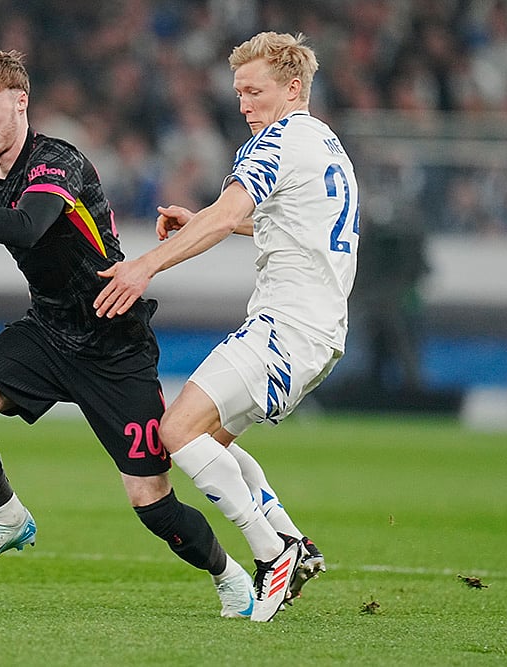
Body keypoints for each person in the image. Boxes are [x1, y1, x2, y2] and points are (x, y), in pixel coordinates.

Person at [0, 50, 258, 620]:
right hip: (49, 330)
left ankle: (230, 578)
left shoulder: (57, 160)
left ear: (21, 103)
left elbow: (28, 228)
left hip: (113, 341)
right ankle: (8, 518)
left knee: (152, 504)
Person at [94, 32, 359, 621]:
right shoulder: (325, 142)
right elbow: (278, 223)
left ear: (293, 88)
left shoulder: (277, 140)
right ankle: (293, 542)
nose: (243, 105)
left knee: (176, 430)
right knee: (210, 441)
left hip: (286, 325)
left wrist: (144, 266)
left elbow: (230, 215)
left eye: (254, 92)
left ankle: (272, 553)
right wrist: (204, 219)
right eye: (239, 93)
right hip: (317, 329)